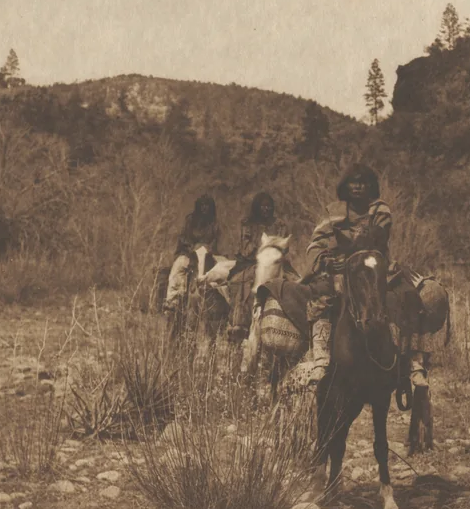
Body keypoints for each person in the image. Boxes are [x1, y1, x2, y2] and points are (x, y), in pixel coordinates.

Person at [304, 164, 392, 385]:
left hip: (373, 267)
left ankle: (410, 359)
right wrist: (325, 259)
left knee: (403, 293)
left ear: (371, 186)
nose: (359, 187)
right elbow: (315, 243)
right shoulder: (332, 213)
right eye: (354, 182)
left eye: (364, 182)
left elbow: (377, 237)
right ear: (345, 186)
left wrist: (356, 245)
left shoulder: (380, 210)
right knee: (322, 294)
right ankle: (321, 355)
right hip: (340, 269)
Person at [227, 192, 290, 343]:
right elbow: (245, 246)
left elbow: (284, 244)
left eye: (268, 206)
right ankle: (239, 323)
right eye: (263, 206)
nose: (266, 209)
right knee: (242, 284)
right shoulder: (247, 223)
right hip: (251, 261)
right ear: (257, 207)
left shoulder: (280, 224)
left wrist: (275, 250)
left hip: (276, 260)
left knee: (296, 281)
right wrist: (260, 248)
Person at [164, 194, 220, 312]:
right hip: (189, 253)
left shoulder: (214, 224)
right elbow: (183, 238)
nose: (205, 208)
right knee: (178, 266)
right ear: (198, 206)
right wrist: (192, 249)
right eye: (202, 205)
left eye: (207, 206)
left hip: (207, 255)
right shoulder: (190, 220)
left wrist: (207, 248)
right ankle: (172, 300)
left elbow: (215, 241)